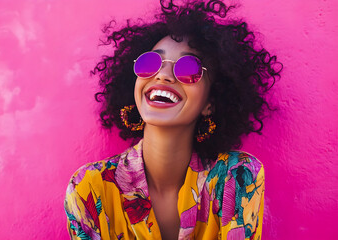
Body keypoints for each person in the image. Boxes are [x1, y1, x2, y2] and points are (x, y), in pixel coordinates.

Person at [64, 0, 282, 239]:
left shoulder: (237, 177)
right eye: (151, 62)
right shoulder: (90, 189)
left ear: (211, 103)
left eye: (188, 68)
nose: (164, 75)